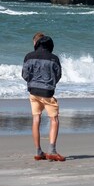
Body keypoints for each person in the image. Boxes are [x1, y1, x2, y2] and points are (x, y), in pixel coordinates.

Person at [22, 32, 64, 162]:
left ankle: (38, 151)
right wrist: (51, 84)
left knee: (36, 119)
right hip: (47, 92)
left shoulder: (29, 56)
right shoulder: (54, 58)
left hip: (33, 92)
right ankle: (52, 150)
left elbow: (24, 74)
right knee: (54, 119)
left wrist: (32, 82)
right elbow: (58, 75)